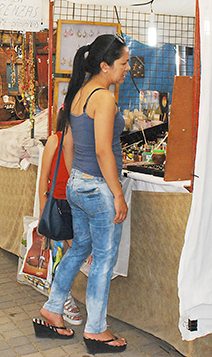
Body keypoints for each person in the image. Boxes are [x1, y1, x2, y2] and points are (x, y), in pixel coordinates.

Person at [33, 33, 130, 354]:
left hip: (78, 184)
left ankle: (52, 307)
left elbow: (70, 144)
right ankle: (96, 330)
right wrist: (116, 193)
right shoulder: (103, 97)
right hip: (98, 189)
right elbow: (103, 150)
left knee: (79, 251)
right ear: (105, 66)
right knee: (103, 260)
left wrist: (79, 177)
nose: (127, 68)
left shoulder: (79, 93)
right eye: (123, 63)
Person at [37, 109, 83, 327]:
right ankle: (61, 298)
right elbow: (43, 177)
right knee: (59, 253)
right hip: (57, 204)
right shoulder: (55, 141)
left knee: (74, 251)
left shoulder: (82, 143)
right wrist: (43, 212)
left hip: (76, 205)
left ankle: (60, 295)